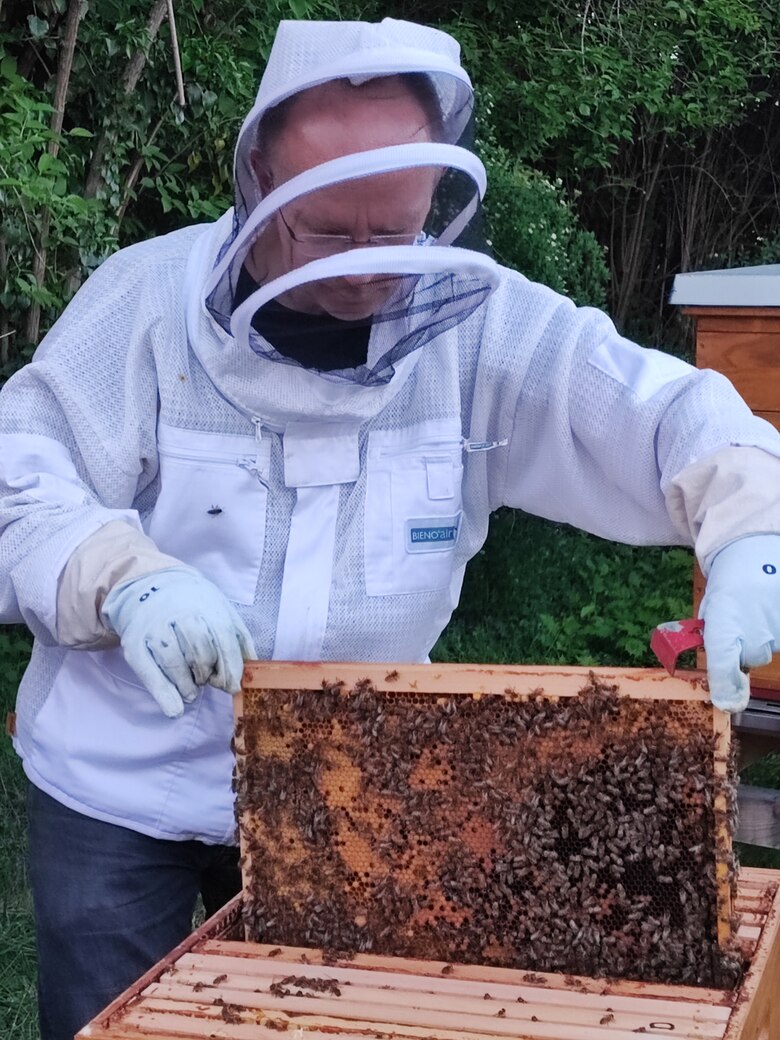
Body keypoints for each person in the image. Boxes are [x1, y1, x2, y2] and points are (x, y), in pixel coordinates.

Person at [1, 16, 779, 1040]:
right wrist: (121, 574)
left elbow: (674, 416)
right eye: (328, 232)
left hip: (355, 796)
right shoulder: (144, 306)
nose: (369, 268)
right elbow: (21, 476)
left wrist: (750, 538)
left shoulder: (486, 327)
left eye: (397, 230)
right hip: (122, 782)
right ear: (259, 190)